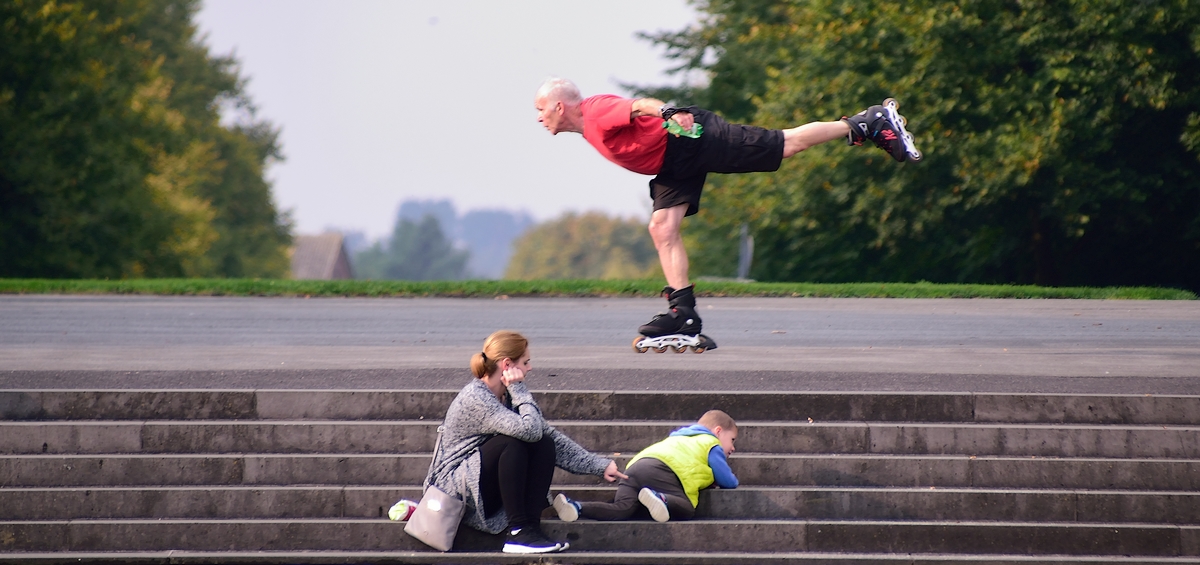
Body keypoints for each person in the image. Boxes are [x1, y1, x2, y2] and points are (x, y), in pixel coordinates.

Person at [534, 77, 920, 344]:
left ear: (558, 106)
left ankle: (866, 122)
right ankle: (683, 314)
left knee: (784, 145)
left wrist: (668, 112)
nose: (539, 117)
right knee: (661, 227)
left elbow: (638, 106)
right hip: (673, 164)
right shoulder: (587, 127)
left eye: (540, 109)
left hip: (692, 140)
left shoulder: (594, 111)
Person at [424, 330, 628, 554]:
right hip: (456, 491)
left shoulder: (508, 395)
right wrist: (519, 389)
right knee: (511, 443)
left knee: (544, 442)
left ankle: (530, 530)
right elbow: (529, 431)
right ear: (507, 364)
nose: (530, 368)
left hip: (482, 486)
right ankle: (518, 531)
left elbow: (543, 433)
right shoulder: (476, 398)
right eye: (526, 362)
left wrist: (599, 465)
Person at [552, 409, 738, 523]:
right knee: (687, 508)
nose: (733, 448)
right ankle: (661, 498)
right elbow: (727, 480)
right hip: (662, 471)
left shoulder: (679, 438)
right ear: (718, 431)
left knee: (623, 508)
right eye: (732, 440)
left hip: (635, 468)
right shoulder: (710, 442)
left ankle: (576, 507)